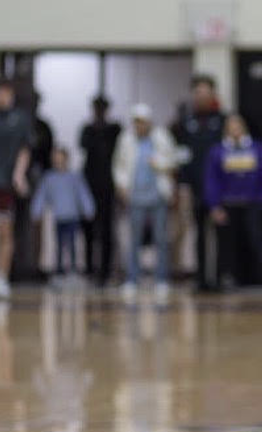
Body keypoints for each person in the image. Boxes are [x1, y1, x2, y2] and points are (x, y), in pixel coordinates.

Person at [113, 104, 177, 304]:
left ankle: (161, 279)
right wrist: (122, 186)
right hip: (135, 196)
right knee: (135, 239)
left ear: (149, 122)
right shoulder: (126, 139)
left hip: (158, 195)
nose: (139, 126)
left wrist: (158, 163)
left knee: (160, 238)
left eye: (143, 122)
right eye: (136, 122)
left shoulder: (162, 137)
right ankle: (132, 279)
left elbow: (172, 161)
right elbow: (119, 165)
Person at [205, 113, 262, 290]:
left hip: (253, 204)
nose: (235, 129)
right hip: (228, 204)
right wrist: (215, 205)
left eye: (238, 125)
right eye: (231, 126)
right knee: (227, 245)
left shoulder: (257, 148)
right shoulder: (217, 151)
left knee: (258, 240)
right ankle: (226, 278)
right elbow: (212, 180)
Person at [171, 75, 225, 291]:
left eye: (205, 91)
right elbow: (181, 155)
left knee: (220, 235)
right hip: (194, 187)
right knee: (198, 234)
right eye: (197, 92)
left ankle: (219, 277)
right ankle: (201, 278)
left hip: (218, 188)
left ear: (212, 93)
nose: (201, 96)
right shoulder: (186, 122)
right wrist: (182, 185)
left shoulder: (222, 120)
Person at [30, 146, 95, 284]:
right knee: (59, 245)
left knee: (72, 244)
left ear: (66, 159)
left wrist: (89, 209)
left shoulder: (74, 177)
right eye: (56, 160)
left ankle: (73, 270)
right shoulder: (49, 178)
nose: (58, 162)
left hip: (73, 217)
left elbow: (83, 194)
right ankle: (59, 271)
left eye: (61, 159)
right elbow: (41, 195)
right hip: (59, 217)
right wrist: (36, 211)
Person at [79, 95, 122, 285]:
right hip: (89, 184)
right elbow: (84, 146)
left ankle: (105, 271)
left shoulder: (114, 129)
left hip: (108, 186)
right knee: (88, 229)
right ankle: (89, 269)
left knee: (106, 229)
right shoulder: (87, 129)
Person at [0, 79, 31, 300]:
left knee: (5, 232)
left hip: (5, 185)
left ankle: (2, 278)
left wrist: (19, 175)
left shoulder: (20, 119)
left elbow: (24, 149)